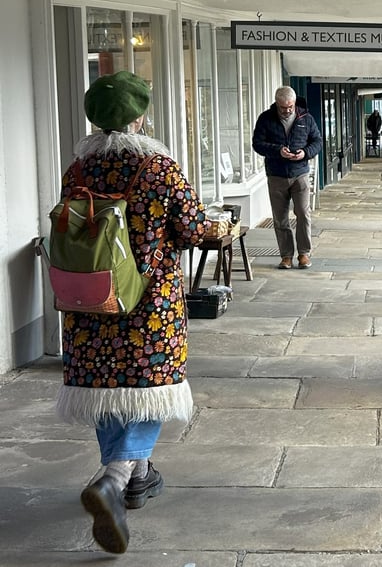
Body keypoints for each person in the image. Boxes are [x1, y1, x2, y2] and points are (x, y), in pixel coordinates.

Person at [57, 71, 208, 554]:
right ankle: (116, 476)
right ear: (139, 116)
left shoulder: (77, 171)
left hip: (92, 302)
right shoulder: (158, 168)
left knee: (106, 387)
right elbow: (191, 228)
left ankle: (138, 475)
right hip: (148, 302)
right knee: (149, 388)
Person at [252, 86, 323, 269]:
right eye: (283, 107)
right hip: (276, 174)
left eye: (290, 106)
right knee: (280, 218)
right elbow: (257, 144)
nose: (287, 110)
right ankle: (286, 256)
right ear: (276, 103)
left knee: (303, 213)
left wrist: (304, 153)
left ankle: (304, 254)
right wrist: (277, 151)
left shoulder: (306, 118)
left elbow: (317, 141)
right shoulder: (266, 118)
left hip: (300, 172)